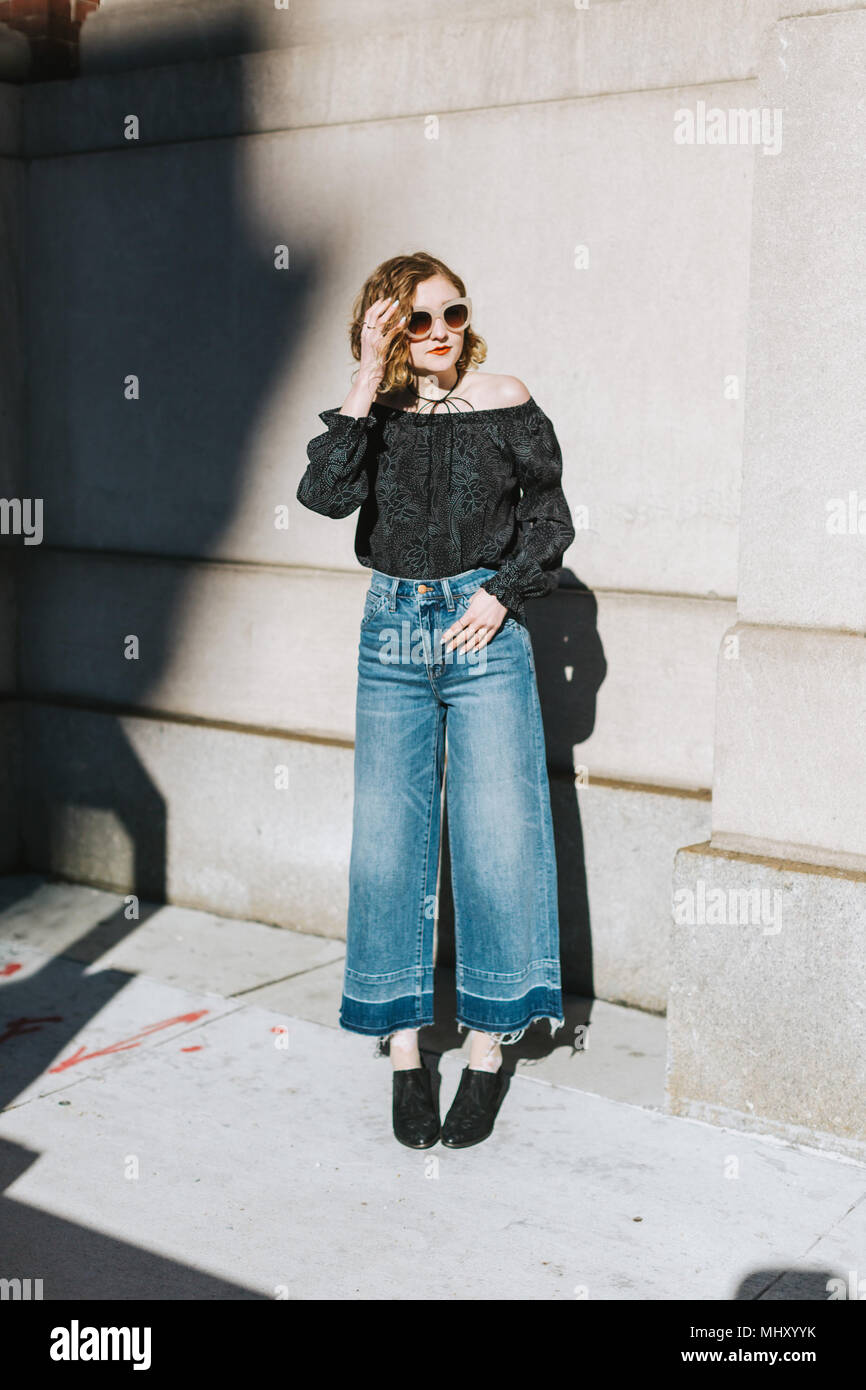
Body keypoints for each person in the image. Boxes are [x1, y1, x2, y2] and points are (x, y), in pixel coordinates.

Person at [297, 251, 575, 1149]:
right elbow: (322, 496)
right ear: (386, 329)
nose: (441, 333)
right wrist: (363, 379)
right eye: (416, 320)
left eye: (452, 313)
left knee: (496, 832)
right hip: (393, 628)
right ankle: (406, 1050)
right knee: (388, 840)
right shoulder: (369, 417)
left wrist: (504, 592)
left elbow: (550, 515)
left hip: (481, 624)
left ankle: (491, 1049)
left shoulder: (504, 397)